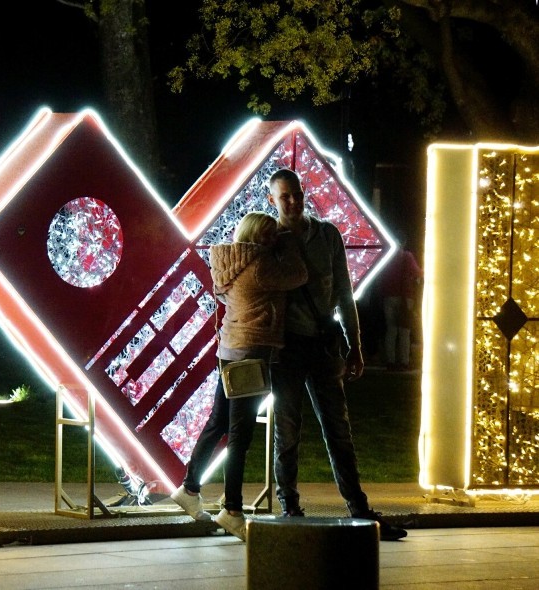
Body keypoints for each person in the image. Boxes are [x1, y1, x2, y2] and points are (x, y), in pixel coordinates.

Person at [266, 168, 408, 541]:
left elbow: (345, 294)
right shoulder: (270, 239)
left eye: (297, 194)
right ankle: (290, 507)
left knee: (339, 431)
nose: (294, 202)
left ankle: (359, 509)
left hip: (324, 344)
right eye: (285, 197)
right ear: (273, 201)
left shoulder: (328, 235)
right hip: (287, 348)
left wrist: (355, 345)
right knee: (287, 431)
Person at [171, 212, 308, 541]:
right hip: (252, 353)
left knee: (218, 422)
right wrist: (289, 242)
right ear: (254, 237)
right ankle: (232, 510)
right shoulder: (261, 267)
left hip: (230, 351)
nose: (271, 240)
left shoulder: (230, 262)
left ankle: (189, 490)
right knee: (239, 436)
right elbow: (299, 274)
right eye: (267, 236)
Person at [379, 241, 422, 371]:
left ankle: (390, 361)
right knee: (404, 331)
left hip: (388, 296)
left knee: (391, 331)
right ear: (403, 243)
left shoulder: (385, 256)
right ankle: (404, 362)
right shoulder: (407, 256)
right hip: (405, 297)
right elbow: (417, 273)